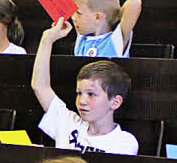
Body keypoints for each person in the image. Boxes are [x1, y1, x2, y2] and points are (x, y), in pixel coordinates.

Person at [32, 19, 138, 155]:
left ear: (115, 102)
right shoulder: (68, 122)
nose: (82, 101)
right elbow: (40, 86)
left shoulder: (124, 142)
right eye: (79, 93)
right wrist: (46, 40)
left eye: (91, 94)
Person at [69, 0, 141, 58]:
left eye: (79, 13)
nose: (73, 18)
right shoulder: (82, 39)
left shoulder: (115, 40)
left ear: (98, 17)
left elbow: (134, 2)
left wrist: (115, 16)